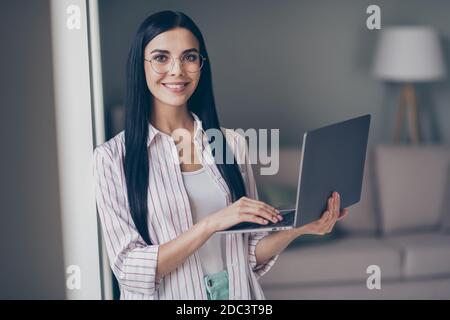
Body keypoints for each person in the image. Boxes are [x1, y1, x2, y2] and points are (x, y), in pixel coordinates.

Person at [93, 10, 349, 300]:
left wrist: (298, 229)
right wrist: (212, 223)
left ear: (202, 65)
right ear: (140, 66)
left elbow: (248, 253)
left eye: (189, 57)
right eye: (161, 57)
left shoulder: (233, 143)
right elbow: (129, 269)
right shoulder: (112, 158)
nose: (177, 70)